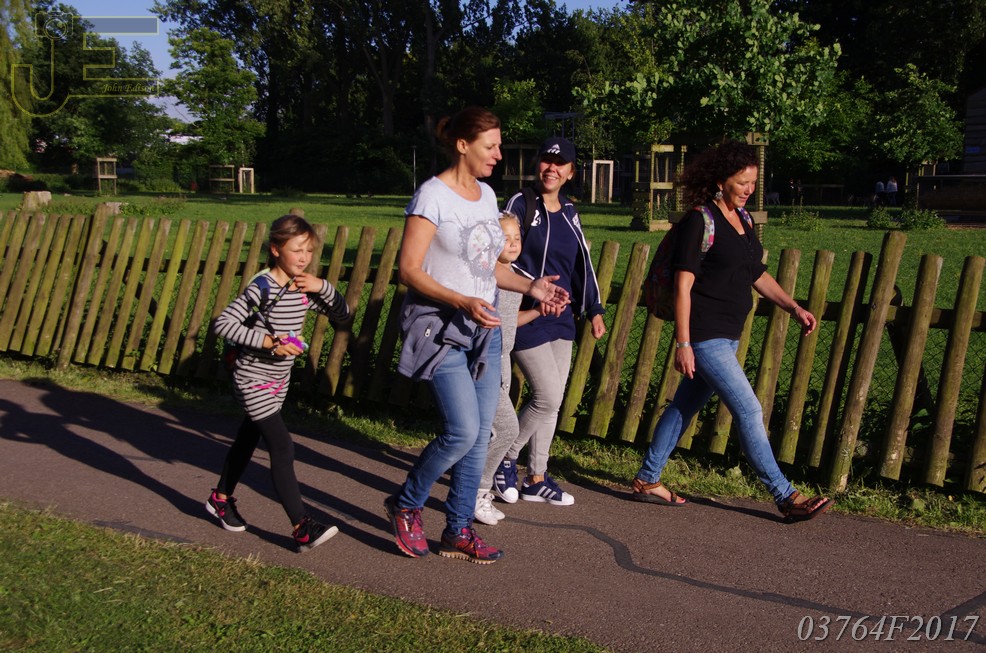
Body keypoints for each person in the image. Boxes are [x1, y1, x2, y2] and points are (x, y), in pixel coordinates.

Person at [384, 107, 569, 563]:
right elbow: (408, 270)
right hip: (441, 328)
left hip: (484, 332)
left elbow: (487, 268)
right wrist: (460, 299)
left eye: (499, 146)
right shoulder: (432, 197)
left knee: (482, 433)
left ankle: (458, 529)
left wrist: (531, 286)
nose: (499, 155)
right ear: (463, 145)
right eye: (491, 146)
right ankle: (406, 503)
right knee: (463, 431)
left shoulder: (487, 196)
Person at [629, 140, 833, 523]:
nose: (748, 189)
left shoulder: (744, 220)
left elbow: (756, 273)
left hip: (728, 335)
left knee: (683, 407)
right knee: (749, 410)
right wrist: (684, 343)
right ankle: (786, 495)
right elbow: (683, 286)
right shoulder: (700, 221)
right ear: (721, 181)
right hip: (705, 338)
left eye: (753, 182)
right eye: (742, 182)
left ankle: (647, 478)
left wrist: (793, 307)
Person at [207, 214, 351, 551]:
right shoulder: (263, 287)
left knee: (248, 437)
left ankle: (220, 499)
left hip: (278, 381)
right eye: (296, 250)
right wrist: (269, 342)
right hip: (252, 378)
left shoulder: (302, 286)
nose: (304, 258)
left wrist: (323, 287)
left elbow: (343, 317)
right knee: (283, 447)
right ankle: (302, 527)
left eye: (309, 251)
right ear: (275, 249)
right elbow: (223, 324)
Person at [492, 136, 607, 506]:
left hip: (561, 316)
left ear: (571, 172)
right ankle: (505, 458)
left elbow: (582, 263)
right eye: (546, 160)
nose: (551, 168)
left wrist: (594, 308)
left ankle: (536, 477)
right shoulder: (521, 203)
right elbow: (502, 255)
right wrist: (537, 289)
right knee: (548, 395)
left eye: (560, 164)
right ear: (538, 164)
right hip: (527, 313)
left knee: (552, 402)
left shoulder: (571, 211)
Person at [474, 211, 540, 525]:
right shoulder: (487, 274)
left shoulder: (513, 274)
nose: (513, 244)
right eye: (505, 238)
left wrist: (539, 311)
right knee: (506, 430)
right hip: (485, 360)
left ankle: (471, 491)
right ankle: (477, 492)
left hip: (503, 360)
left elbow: (510, 321)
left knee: (484, 432)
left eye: (517, 238)